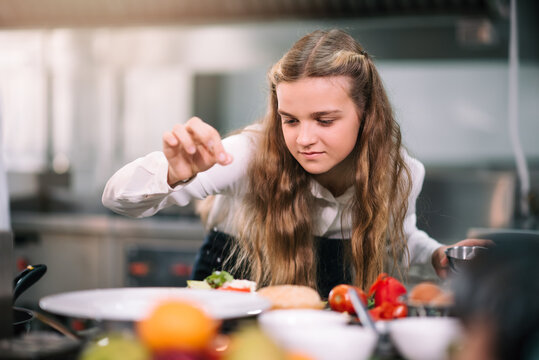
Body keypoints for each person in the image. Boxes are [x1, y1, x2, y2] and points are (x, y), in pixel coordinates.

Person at [102, 29, 488, 297]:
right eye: (290, 120)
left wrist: (437, 255)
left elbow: (399, 241)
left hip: (320, 315)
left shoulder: (400, 172)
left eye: (324, 120)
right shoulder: (248, 154)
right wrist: (172, 173)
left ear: (367, 115)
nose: (303, 139)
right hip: (228, 301)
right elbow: (117, 199)